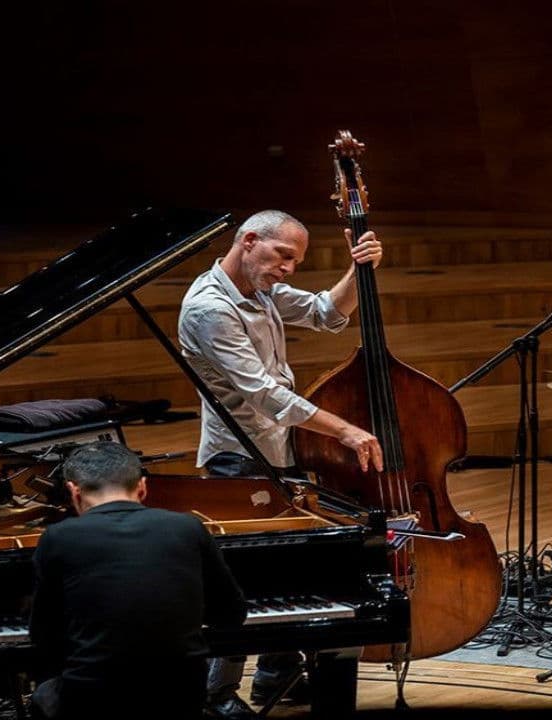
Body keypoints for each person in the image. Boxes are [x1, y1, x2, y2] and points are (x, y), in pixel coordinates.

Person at [177, 209, 384, 718]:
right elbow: (265, 395)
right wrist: (344, 429)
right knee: (246, 576)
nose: (289, 269)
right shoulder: (211, 309)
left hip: (277, 451)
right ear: (249, 241)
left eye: (296, 260)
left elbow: (323, 314)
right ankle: (215, 694)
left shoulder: (260, 290)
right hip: (237, 458)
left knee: (288, 563)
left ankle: (277, 677)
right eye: (283, 256)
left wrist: (359, 271)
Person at [29, 441, 246, 720]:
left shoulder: (58, 537)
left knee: (44, 692)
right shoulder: (188, 528)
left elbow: (43, 634)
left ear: (73, 491)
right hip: (181, 693)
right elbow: (231, 614)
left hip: (93, 696)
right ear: (143, 487)